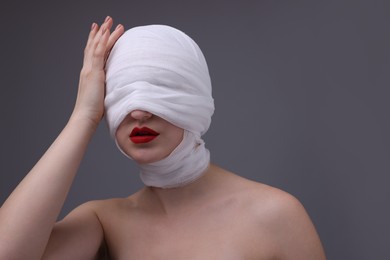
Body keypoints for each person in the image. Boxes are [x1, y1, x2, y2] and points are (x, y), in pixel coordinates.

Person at [0, 16, 326, 259]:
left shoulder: (276, 215)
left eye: (161, 90)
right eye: (121, 93)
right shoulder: (105, 222)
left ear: (197, 101)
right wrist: (82, 117)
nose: (139, 113)